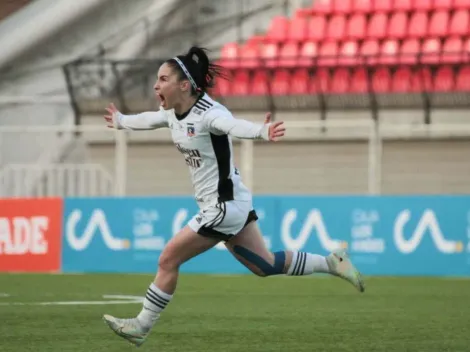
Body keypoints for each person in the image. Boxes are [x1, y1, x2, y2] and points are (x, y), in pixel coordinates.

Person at [102, 46, 365, 347]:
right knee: (265, 265)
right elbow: (151, 119)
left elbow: (233, 126)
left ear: (184, 85)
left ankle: (142, 326)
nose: (156, 85)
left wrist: (261, 131)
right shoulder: (173, 113)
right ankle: (333, 263)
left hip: (223, 208)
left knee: (167, 259)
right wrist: (122, 120)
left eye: (162, 79)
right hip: (233, 205)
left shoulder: (210, 114)